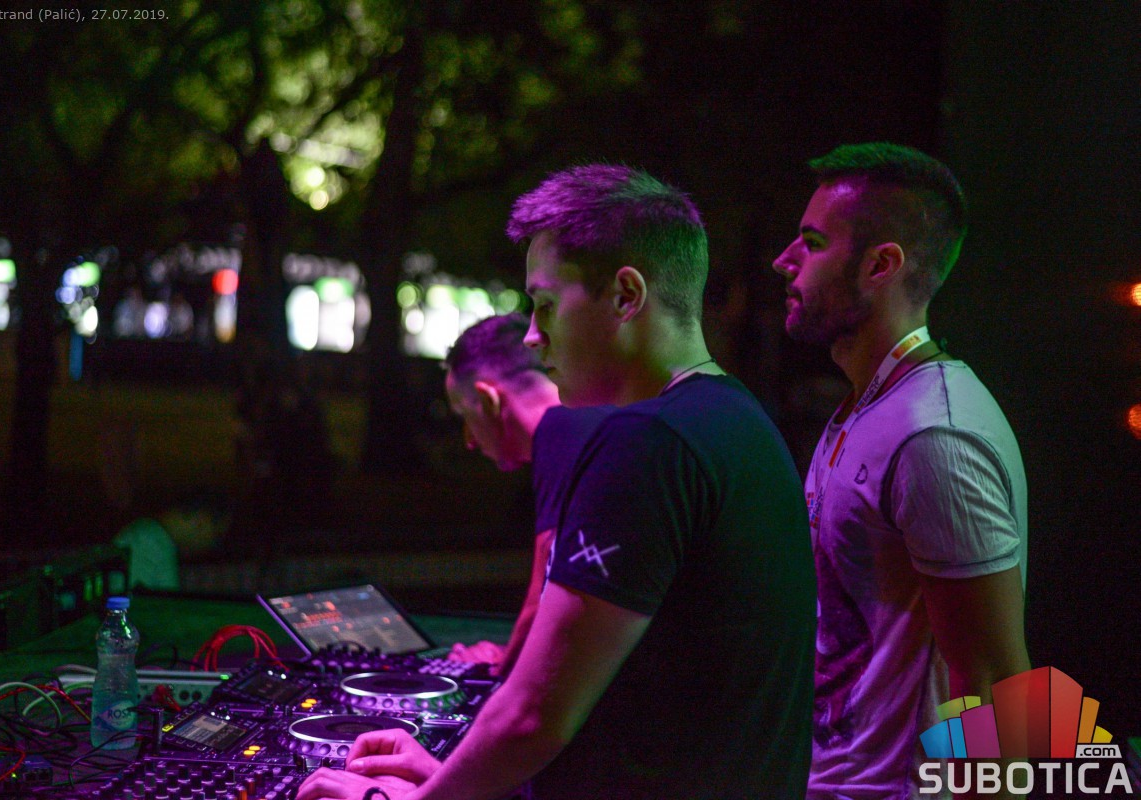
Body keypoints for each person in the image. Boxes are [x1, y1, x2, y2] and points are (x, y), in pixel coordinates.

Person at [298, 164, 816, 800]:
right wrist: (451, 780)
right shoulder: (738, 420)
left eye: (544, 306)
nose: (533, 336)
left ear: (626, 296)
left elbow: (534, 715)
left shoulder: (647, 444)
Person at [771, 143, 1030, 799]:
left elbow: (995, 683)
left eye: (812, 242)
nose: (785, 260)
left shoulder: (935, 435)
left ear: (880, 265)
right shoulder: (866, 407)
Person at [442, 312, 608, 676]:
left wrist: (500, 668)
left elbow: (544, 596)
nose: (469, 440)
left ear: (487, 399)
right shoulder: (593, 419)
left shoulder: (560, 431)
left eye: (463, 415)